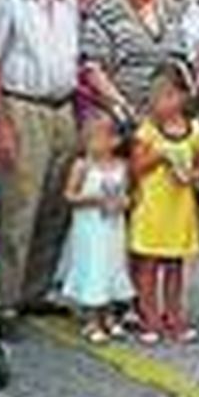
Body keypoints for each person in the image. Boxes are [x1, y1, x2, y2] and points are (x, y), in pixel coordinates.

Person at [0, 0, 80, 320]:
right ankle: (3, 301)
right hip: (22, 108)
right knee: (18, 210)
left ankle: (34, 292)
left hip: (63, 111)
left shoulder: (68, 2)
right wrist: (1, 126)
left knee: (56, 208)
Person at [129, 60, 199, 344]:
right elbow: (135, 168)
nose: (163, 103)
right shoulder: (147, 131)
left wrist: (194, 176)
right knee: (148, 264)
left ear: (184, 96)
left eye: (169, 95)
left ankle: (174, 316)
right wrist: (160, 156)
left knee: (175, 265)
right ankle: (149, 318)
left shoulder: (196, 130)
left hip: (180, 209)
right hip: (152, 207)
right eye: (157, 96)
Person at [81, 0, 185, 126]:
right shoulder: (106, 11)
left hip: (168, 121)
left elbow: (181, 61)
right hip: (123, 120)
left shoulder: (172, 12)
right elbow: (93, 69)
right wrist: (124, 108)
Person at [55, 109, 134, 344]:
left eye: (97, 137)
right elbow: (69, 195)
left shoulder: (121, 166)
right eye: (87, 137)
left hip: (113, 226)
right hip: (90, 227)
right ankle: (91, 318)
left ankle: (108, 314)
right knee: (93, 266)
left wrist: (124, 202)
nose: (91, 143)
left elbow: (128, 193)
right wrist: (92, 200)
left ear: (114, 140)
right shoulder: (82, 166)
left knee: (112, 265)